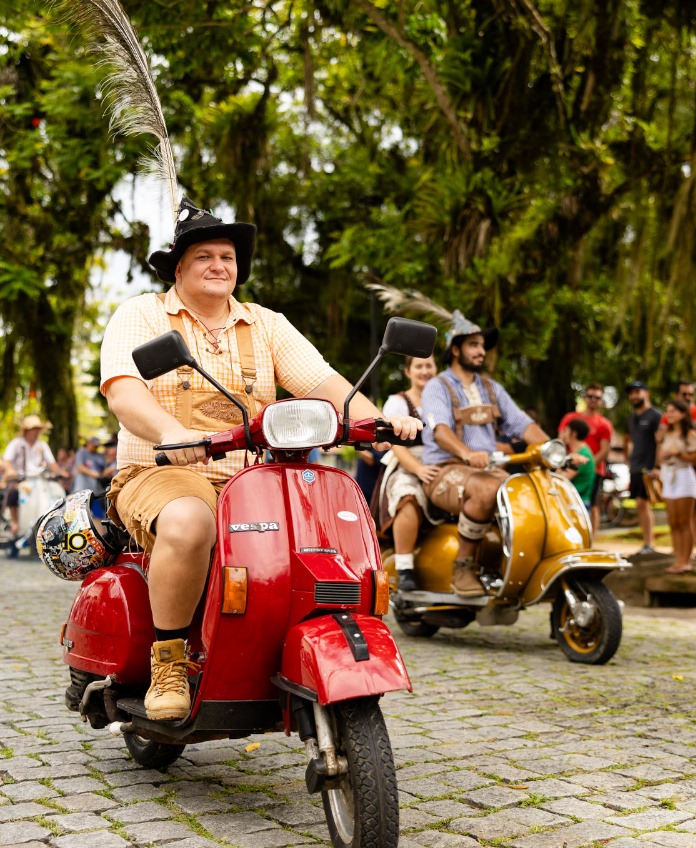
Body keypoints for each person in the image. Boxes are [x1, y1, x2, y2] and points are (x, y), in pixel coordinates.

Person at [100, 199, 422, 721]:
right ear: (178, 267)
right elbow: (123, 391)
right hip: (162, 473)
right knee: (189, 523)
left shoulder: (266, 325)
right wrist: (170, 430)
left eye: (227, 256)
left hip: (253, 478)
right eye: (203, 255)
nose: (218, 265)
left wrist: (380, 422)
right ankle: (169, 662)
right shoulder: (143, 314)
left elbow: (324, 384)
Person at [420, 312, 548, 597]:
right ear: (455, 350)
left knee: (527, 492)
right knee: (488, 488)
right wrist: (467, 453)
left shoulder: (491, 388)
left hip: (486, 468)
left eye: (482, 346)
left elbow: (523, 424)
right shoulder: (437, 386)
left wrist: (553, 451)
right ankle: (462, 568)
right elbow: (440, 430)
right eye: (474, 345)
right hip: (443, 470)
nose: (481, 351)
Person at [373, 355, 439, 592]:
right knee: (407, 497)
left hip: (440, 462)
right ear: (408, 371)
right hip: (408, 464)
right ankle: (405, 567)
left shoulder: (442, 400)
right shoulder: (398, 402)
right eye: (418, 366)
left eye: (429, 366)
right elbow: (395, 445)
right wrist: (418, 469)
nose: (424, 371)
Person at [558, 383, 613, 539]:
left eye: (597, 397)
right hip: (573, 463)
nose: (593, 400)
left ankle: (590, 539)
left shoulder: (604, 424)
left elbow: (604, 449)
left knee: (593, 505)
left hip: (588, 467)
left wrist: (586, 465)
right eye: (590, 396)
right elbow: (560, 439)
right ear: (585, 397)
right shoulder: (571, 418)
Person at [656, 399, 696, 573]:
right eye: (668, 411)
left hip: (684, 475)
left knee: (684, 521)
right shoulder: (666, 434)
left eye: (673, 411)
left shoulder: (690, 434)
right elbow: (660, 457)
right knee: (673, 522)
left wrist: (679, 453)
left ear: (683, 414)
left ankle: (685, 560)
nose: (670, 414)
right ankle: (677, 559)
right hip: (669, 475)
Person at [2, 415, 60, 537]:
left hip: (39, 479)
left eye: (38, 428)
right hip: (21, 479)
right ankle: (15, 523)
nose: (36, 431)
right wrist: (11, 470)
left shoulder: (42, 445)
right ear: (27, 430)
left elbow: (52, 464)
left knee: (57, 493)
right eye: (34, 428)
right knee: (13, 493)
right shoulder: (17, 443)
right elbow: (6, 461)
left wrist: (62, 473)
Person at [623, 382, 662, 555]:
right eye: (631, 393)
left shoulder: (655, 416)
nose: (634, 396)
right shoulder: (631, 418)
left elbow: (660, 442)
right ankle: (646, 543)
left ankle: (650, 543)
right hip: (635, 467)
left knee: (643, 503)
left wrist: (657, 466)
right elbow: (627, 439)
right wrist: (627, 459)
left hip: (649, 468)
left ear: (646, 393)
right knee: (639, 505)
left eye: (637, 392)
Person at [560, 418, 597, 509]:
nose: (563, 435)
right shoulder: (579, 453)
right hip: (575, 501)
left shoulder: (582, 455)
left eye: (566, 431)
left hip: (577, 504)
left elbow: (560, 479)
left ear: (574, 434)